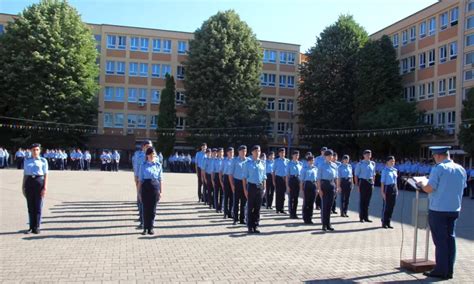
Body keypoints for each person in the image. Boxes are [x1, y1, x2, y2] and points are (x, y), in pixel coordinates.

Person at [417, 146, 467, 280]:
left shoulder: (438, 168)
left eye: (434, 156)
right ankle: (449, 270)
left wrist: (422, 184)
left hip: (439, 209)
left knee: (440, 241)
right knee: (450, 240)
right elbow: (463, 187)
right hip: (454, 209)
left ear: (438, 156)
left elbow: (429, 188)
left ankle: (440, 270)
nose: (434, 159)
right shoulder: (460, 168)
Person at [22, 143, 48, 234]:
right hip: (29, 182)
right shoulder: (26, 161)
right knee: (30, 206)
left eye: (37, 149)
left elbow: (46, 175)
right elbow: (25, 175)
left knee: (38, 206)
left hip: (39, 182)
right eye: (33, 150)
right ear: (30, 151)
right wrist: (23, 187)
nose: (35, 151)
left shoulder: (43, 161)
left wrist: (45, 187)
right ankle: (30, 227)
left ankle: (37, 226)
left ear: (40, 151)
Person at [138, 147, 163, 235]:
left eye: (153, 154)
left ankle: (151, 228)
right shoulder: (143, 165)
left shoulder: (158, 165)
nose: (152, 156)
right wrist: (139, 193)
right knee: (145, 208)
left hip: (155, 188)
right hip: (145, 187)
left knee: (153, 210)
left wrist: (161, 191)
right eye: (150, 154)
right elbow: (140, 180)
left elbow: (160, 179)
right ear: (147, 155)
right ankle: (145, 228)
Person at [242, 145, 266, 234]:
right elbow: (244, 178)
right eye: (255, 151)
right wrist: (245, 189)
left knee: (257, 208)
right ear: (252, 152)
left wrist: (264, 188)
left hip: (260, 187)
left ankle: (255, 226)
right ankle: (249, 226)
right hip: (251, 187)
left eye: (259, 151)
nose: (257, 153)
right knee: (250, 207)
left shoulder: (262, 163)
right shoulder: (247, 164)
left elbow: (264, 177)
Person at [133, 140, 153, 229]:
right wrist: (136, 178)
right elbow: (136, 167)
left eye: (150, 146)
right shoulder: (139, 156)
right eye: (147, 146)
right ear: (143, 147)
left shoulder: (154, 156)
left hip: (151, 181)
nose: (149, 148)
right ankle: (142, 221)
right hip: (141, 180)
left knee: (150, 203)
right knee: (141, 200)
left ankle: (149, 222)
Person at [317, 149, 339, 231]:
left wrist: (337, 187)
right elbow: (318, 178)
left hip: (332, 185)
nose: (330, 157)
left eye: (331, 155)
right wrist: (319, 189)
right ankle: (324, 225)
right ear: (325, 157)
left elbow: (336, 177)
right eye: (328, 156)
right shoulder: (321, 165)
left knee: (329, 206)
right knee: (324, 206)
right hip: (324, 185)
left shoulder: (334, 165)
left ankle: (328, 224)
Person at [354, 149, 376, 223]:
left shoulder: (372, 164)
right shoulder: (360, 164)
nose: (368, 156)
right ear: (363, 155)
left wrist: (373, 183)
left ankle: (366, 217)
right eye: (366, 155)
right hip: (363, 182)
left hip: (370, 183)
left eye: (369, 154)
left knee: (368, 201)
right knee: (362, 201)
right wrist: (357, 185)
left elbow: (373, 174)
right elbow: (356, 175)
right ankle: (361, 217)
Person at [230, 145, 249, 225]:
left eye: (245, 151)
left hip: (246, 183)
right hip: (237, 182)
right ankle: (235, 219)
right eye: (242, 151)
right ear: (239, 152)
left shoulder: (249, 161)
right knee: (236, 202)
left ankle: (242, 219)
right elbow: (230, 174)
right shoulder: (234, 160)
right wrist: (232, 185)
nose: (244, 153)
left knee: (244, 203)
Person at [380, 156, 398, 229]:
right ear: (387, 162)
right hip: (387, 188)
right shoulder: (385, 170)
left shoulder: (394, 170)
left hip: (393, 188)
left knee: (392, 206)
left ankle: (388, 222)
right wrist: (382, 192)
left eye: (393, 161)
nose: (393, 162)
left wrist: (396, 190)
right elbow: (382, 182)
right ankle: (384, 222)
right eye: (391, 161)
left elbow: (395, 181)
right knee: (386, 206)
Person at [300, 155, 317, 224]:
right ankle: (305, 218)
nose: (312, 162)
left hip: (313, 185)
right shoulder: (304, 169)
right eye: (310, 160)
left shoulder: (315, 168)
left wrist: (318, 188)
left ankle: (310, 218)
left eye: (313, 160)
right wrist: (301, 189)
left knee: (311, 202)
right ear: (308, 161)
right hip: (307, 185)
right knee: (306, 202)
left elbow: (317, 179)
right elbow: (301, 180)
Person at [286, 150, 302, 219]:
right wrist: (287, 186)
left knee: (296, 198)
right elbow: (287, 176)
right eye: (295, 155)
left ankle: (294, 213)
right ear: (292, 156)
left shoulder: (300, 164)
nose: (296, 156)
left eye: (297, 155)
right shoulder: (289, 164)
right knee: (291, 198)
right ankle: (291, 213)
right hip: (292, 180)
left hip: (298, 180)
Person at [272, 148, 288, 214]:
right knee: (278, 194)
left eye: (283, 152)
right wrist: (273, 181)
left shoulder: (287, 161)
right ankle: (277, 209)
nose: (282, 154)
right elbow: (273, 172)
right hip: (278, 178)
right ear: (279, 153)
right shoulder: (276, 161)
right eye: (281, 152)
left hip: (285, 179)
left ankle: (282, 208)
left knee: (283, 194)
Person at [220, 147, 234, 219]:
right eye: (230, 152)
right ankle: (225, 212)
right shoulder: (224, 161)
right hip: (226, 178)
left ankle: (230, 213)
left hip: (233, 179)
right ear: (227, 153)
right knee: (226, 196)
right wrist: (221, 181)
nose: (232, 154)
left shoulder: (235, 160)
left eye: (233, 152)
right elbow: (220, 171)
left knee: (232, 197)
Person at [212, 148, 224, 213]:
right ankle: (217, 207)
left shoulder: (224, 160)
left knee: (222, 193)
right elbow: (212, 171)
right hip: (216, 176)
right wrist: (212, 180)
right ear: (218, 153)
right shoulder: (215, 160)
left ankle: (221, 207)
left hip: (223, 176)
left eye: (222, 152)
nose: (222, 153)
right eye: (220, 152)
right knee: (216, 192)